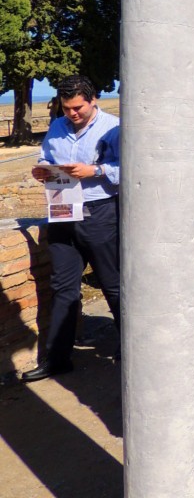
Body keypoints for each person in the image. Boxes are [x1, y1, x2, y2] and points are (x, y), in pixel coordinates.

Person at [22, 75, 120, 382]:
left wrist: (96, 170)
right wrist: (41, 168)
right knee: (63, 288)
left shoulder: (113, 128)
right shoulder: (56, 126)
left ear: (93, 100)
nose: (72, 114)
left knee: (113, 285)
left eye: (77, 107)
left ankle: (133, 349)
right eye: (66, 108)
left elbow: (131, 167)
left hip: (100, 212)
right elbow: (46, 156)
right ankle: (58, 359)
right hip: (63, 212)